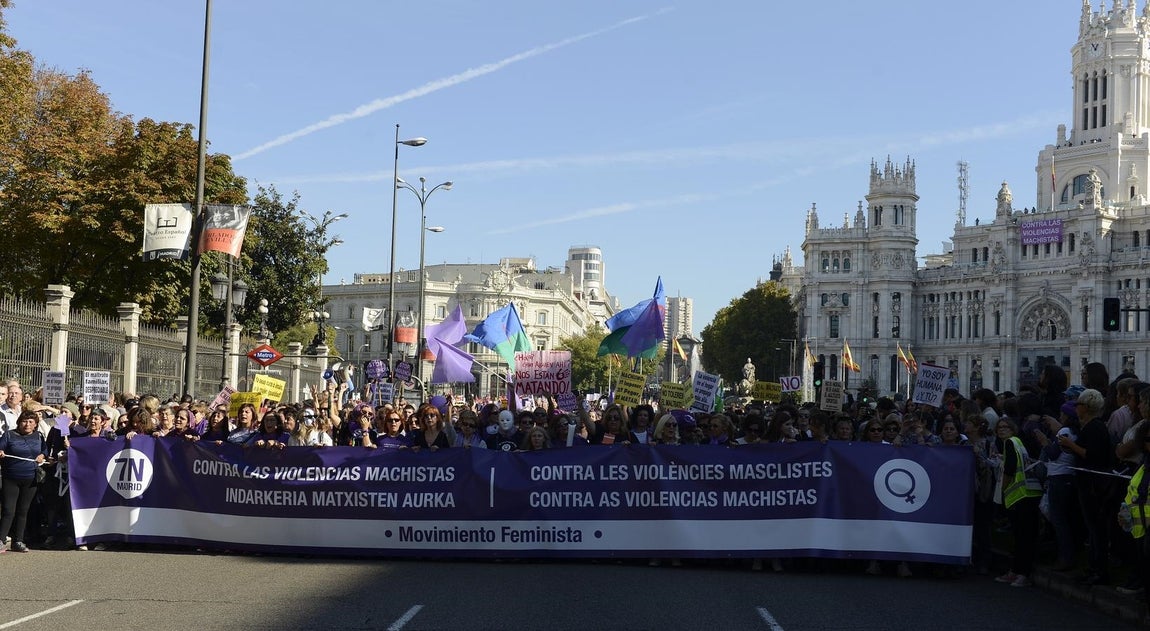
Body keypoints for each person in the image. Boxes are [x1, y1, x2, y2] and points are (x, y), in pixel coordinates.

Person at [1060, 388, 1114, 586]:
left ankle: (1099, 570)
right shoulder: (1091, 427)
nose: (1076, 408)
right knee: (1092, 528)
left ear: (1086, 407)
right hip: (1088, 482)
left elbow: (1091, 455)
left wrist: (1071, 445)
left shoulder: (1095, 428)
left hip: (1094, 485)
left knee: (1097, 529)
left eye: (1078, 404)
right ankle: (1093, 567)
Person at [994, 417, 1043, 587]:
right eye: (999, 427)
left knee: (1022, 537)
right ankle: (1016, 571)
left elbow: (1010, 470)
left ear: (1013, 428)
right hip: (1028, 493)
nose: (1002, 430)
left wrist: (1003, 490)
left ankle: (1022, 573)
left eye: (1006, 427)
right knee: (1022, 537)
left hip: (1020, 495)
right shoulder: (1018, 442)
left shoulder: (1010, 443)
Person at [0, 411, 50, 552]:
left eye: (30, 422)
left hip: (30, 479)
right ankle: (1, 539)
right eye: (24, 421)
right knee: (9, 510)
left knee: (23, 511)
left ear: (35, 425)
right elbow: (0, 448)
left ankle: (18, 541)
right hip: (11, 478)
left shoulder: (39, 436)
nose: (27, 424)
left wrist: (42, 456)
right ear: (19, 422)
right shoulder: (9, 435)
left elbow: (45, 451)